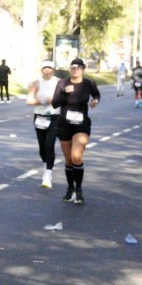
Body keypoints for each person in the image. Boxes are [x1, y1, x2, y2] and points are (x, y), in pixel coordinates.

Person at [52, 57, 100, 204]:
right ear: (70, 69)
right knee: (68, 159)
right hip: (64, 124)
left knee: (76, 156)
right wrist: (64, 93)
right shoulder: (63, 83)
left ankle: (78, 190)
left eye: (78, 67)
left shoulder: (88, 83)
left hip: (81, 124)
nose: (75, 69)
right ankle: (70, 188)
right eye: (73, 67)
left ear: (83, 69)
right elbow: (55, 104)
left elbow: (96, 94)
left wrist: (95, 101)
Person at [26, 60, 61, 188]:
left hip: (55, 116)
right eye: (45, 68)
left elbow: (64, 98)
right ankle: (46, 165)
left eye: (49, 68)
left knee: (49, 145)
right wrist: (42, 101)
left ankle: (48, 174)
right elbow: (29, 100)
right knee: (42, 147)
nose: (47, 70)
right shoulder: (36, 82)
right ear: (41, 70)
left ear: (53, 70)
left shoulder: (59, 82)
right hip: (40, 117)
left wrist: (56, 101)